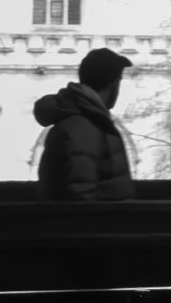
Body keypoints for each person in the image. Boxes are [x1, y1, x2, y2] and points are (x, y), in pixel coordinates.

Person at [34, 49, 138, 202]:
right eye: (119, 81)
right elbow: (80, 196)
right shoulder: (83, 128)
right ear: (113, 84)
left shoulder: (86, 122)